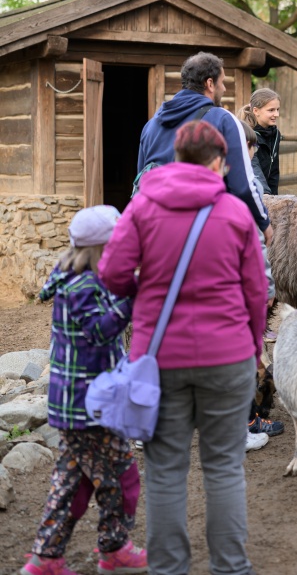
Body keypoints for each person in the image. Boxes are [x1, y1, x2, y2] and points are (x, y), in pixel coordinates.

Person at [100, 120, 269, 573]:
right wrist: (253, 347)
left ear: (176, 158)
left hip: (160, 360)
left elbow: (113, 274)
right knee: (224, 468)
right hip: (229, 355)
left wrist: (146, 295)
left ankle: (169, 568)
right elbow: (257, 292)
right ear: (219, 164)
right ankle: (231, 567)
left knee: (167, 471)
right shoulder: (235, 213)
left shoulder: (141, 208)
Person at [24, 205, 148, 575]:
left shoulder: (76, 277)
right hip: (86, 408)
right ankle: (114, 549)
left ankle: (45, 558)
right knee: (121, 476)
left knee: (72, 482)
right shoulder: (82, 286)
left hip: (82, 406)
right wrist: (133, 298)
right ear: (102, 249)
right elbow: (98, 332)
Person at [137, 51, 272, 247]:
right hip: (205, 233)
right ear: (210, 84)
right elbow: (243, 184)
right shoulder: (223, 120)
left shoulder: (151, 125)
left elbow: (141, 180)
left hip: (158, 232)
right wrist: (264, 222)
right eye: (222, 82)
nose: (224, 88)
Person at [239, 119, 284, 437]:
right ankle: (251, 420)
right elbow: (257, 241)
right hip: (241, 288)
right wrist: (267, 288)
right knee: (249, 354)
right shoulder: (245, 186)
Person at [240, 88, 282, 195]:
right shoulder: (247, 134)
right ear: (256, 111)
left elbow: (274, 171)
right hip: (250, 193)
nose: (276, 114)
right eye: (271, 110)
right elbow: (253, 166)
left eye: (277, 109)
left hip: (267, 195)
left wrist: (275, 199)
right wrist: (266, 195)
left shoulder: (275, 134)